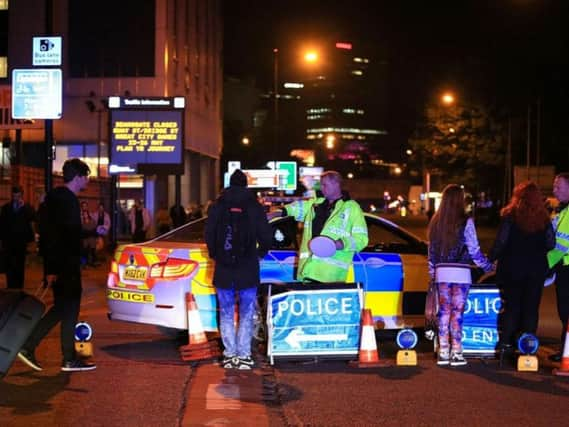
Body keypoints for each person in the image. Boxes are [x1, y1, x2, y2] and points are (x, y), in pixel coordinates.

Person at [18, 158, 96, 372]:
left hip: (57, 265)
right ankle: (68, 358)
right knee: (69, 309)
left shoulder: (52, 199)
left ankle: (30, 346)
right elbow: (66, 235)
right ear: (78, 177)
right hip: (66, 266)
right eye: (86, 177)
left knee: (61, 309)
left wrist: (49, 268)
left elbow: (47, 235)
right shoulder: (68, 201)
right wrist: (91, 232)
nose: (87, 181)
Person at [205, 169, 272, 370]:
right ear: (246, 185)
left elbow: (209, 234)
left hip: (224, 268)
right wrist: (259, 253)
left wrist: (216, 254)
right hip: (248, 268)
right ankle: (244, 355)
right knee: (246, 311)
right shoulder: (254, 206)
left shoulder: (218, 206)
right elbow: (265, 235)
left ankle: (229, 355)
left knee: (225, 312)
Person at [428, 184, 493, 367]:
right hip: (462, 272)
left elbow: (431, 253)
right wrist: (487, 266)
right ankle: (457, 352)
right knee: (457, 313)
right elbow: (474, 250)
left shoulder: (436, 222)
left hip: (442, 272)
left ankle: (443, 351)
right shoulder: (466, 222)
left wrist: (432, 274)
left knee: (444, 311)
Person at [489, 181, 555, 361]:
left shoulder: (510, 216)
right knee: (531, 309)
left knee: (512, 307)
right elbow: (551, 244)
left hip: (512, 268)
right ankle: (528, 348)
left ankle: (505, 347)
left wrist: (490, 258)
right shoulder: (544, 218)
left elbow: (501, 243)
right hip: (535, 270)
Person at [269, 170, 368, 283]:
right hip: (307, 272)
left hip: (329, 276)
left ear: (336, 184)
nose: (321, 188)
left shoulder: (352, 208)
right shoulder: (316, 204)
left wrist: (339, 244)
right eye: (321, 185)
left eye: (324, 185)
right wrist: (276, 213)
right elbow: (296, 208)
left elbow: (361, 239)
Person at [547, 172, 569, 362]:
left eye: (559, 186)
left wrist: (544, 264)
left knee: (566, 311)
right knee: (564, 312)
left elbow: (562, 245)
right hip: (563, 267)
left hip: (566, 267)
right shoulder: (562, 211)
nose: (555, 190)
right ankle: (565, 350)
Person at [0, 185, 36, 289]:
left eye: (18, 196)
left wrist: (24, 207)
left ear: (22, 195)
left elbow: (32, 219)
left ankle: (19, 288)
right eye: (14, 196)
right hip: (8, 242)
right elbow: (2, 224)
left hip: (21, 242)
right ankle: (10, 287)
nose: (16, 198)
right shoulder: (6, 208)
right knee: (9, 265)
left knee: (19, 265)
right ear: (12, 195)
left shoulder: (27, 207)